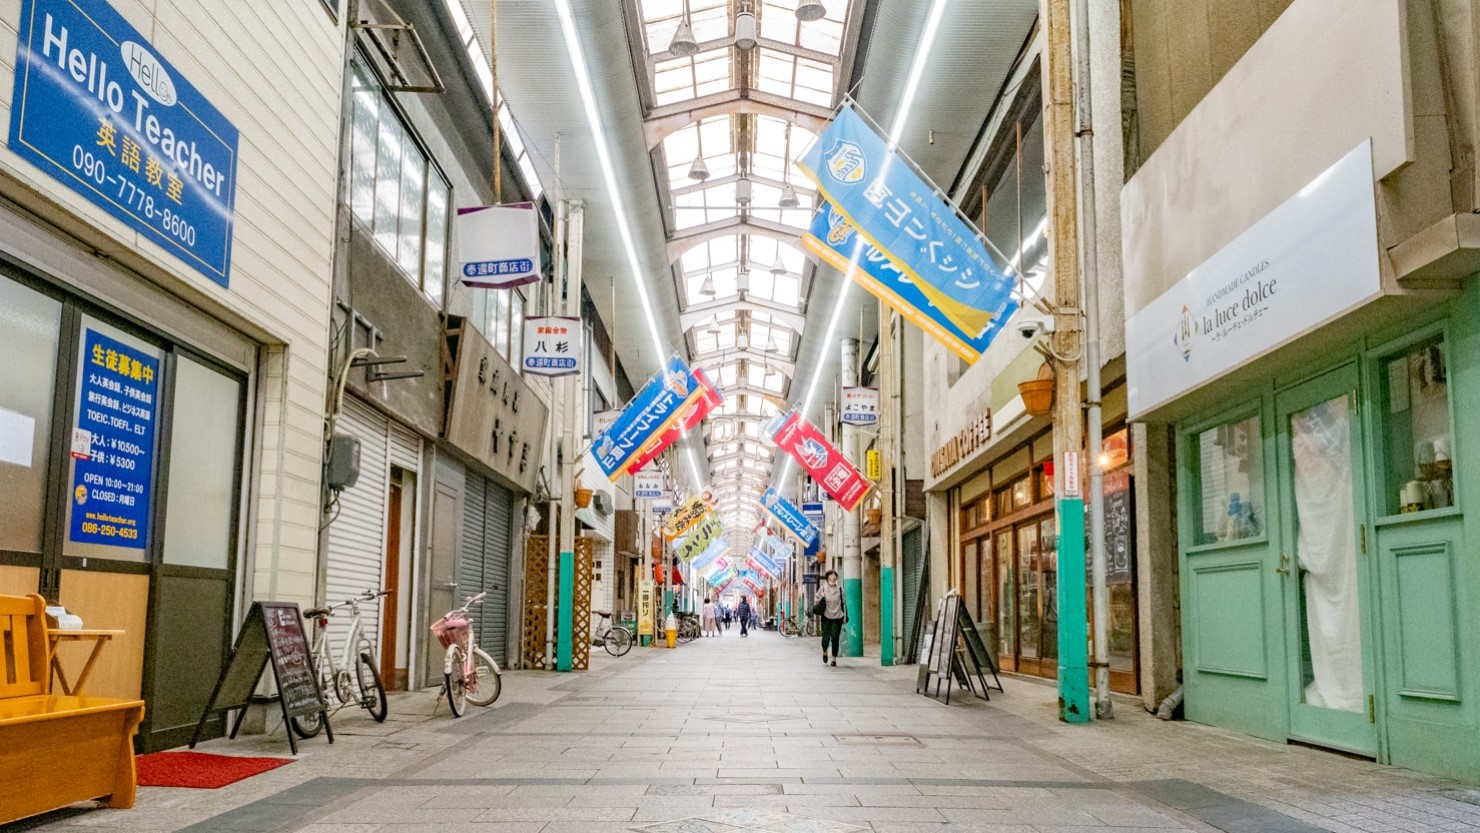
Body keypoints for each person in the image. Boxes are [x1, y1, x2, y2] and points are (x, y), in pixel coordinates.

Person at [818, 569, 846, 666]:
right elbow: (817, 600)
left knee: (835, 637)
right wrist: (821, 599)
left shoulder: (840, 589)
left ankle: (834, 659)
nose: (833, 577)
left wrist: (845, 616)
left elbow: (843, 603)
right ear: (827, 577)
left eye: (835, 575)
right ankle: (825, 651)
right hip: (826, 616)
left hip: (838, 616)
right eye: (831, 575)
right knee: (825, 638)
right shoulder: (823, 588)